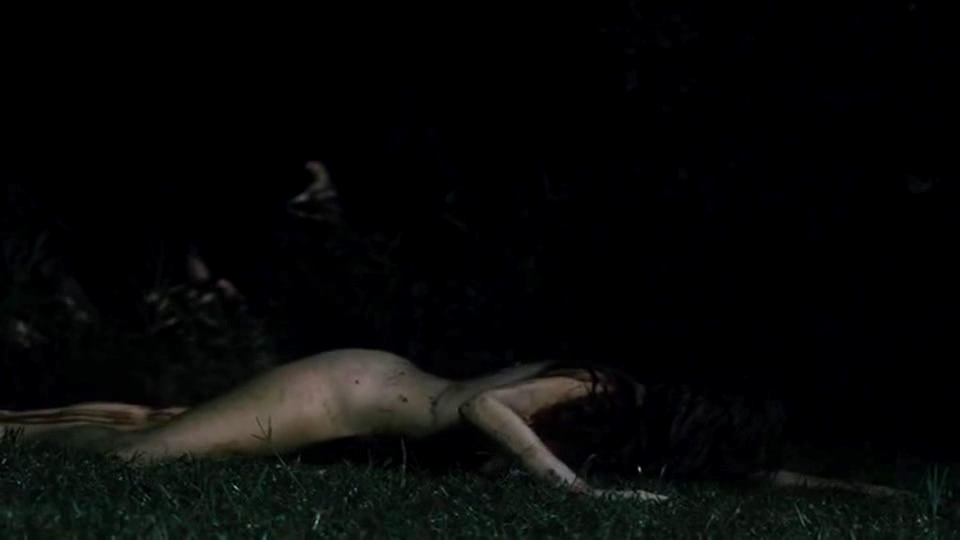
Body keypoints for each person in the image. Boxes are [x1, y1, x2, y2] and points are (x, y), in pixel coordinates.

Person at [0, 348, 905, 500]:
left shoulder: (640, 429)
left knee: (162, 422)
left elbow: (737, 475)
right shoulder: (597, 385)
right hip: (340, 390)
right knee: (141, 460)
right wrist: (571, 489)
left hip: (359, 403)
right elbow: (481, 407)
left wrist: (847, 489)